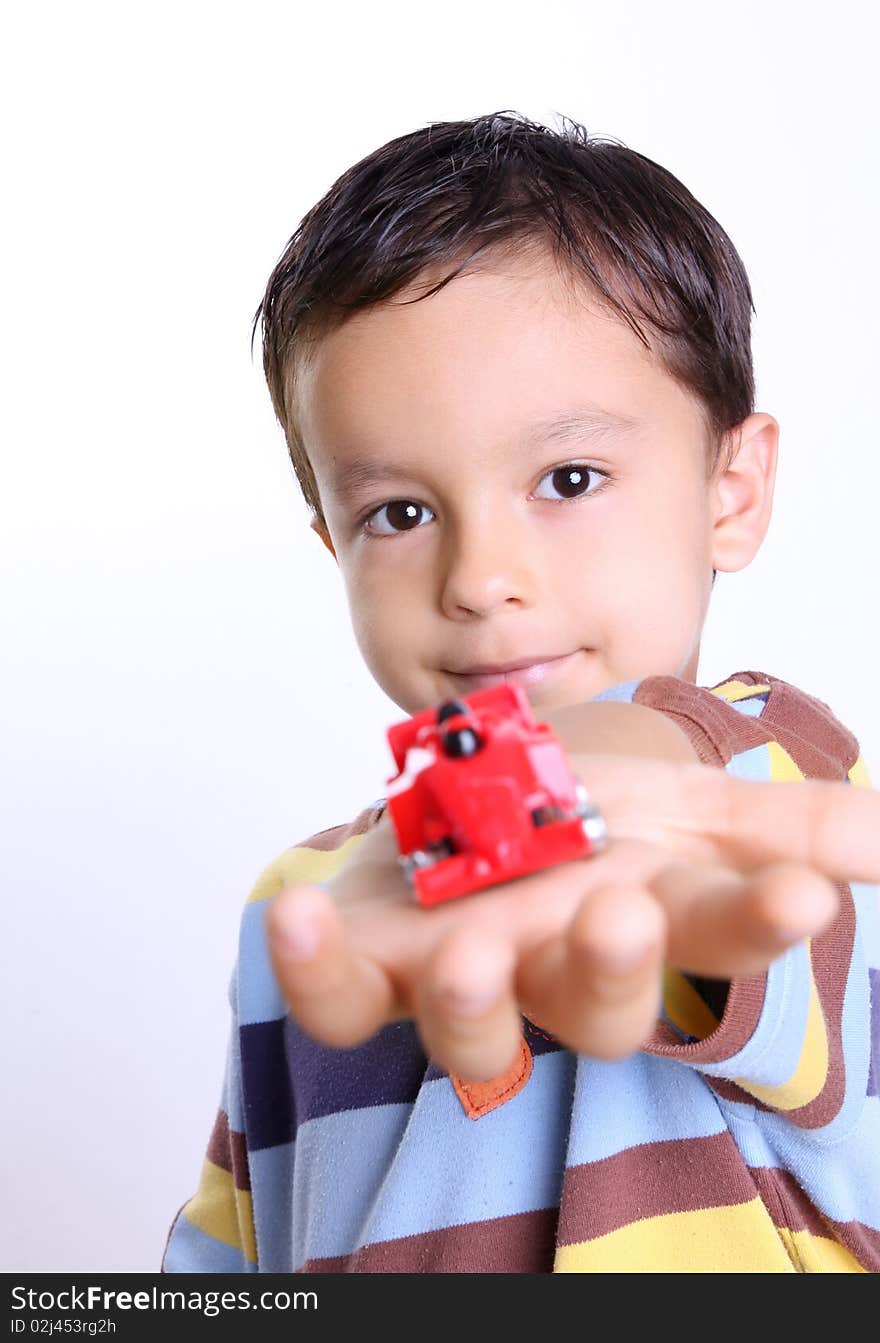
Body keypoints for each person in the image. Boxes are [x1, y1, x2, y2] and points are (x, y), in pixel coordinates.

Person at [163, 112, 880, 1273]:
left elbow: (648, 763)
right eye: (399, 512)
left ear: (730, 491)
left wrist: (560, 808)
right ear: (331, 541)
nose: (481, 578)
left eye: (568, 478)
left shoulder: (770, 787)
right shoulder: (302, 908)